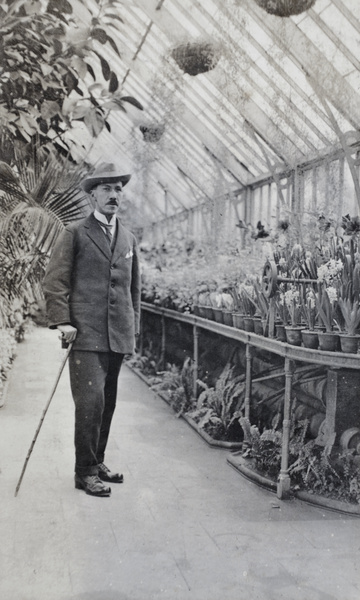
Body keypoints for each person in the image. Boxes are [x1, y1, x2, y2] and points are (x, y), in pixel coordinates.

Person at [43, 163, 141, 497]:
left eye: (118, 190)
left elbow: (134, 289)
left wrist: (133, 328)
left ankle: (97, 462)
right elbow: (55, 280)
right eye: (107, 190)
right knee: (90, 402)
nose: (114, 196)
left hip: (117, 334)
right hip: (85, 333)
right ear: (92, 195)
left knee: (107, 402)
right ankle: (84, 472)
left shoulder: (127, 237)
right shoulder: (75, 233)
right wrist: (64, 321)